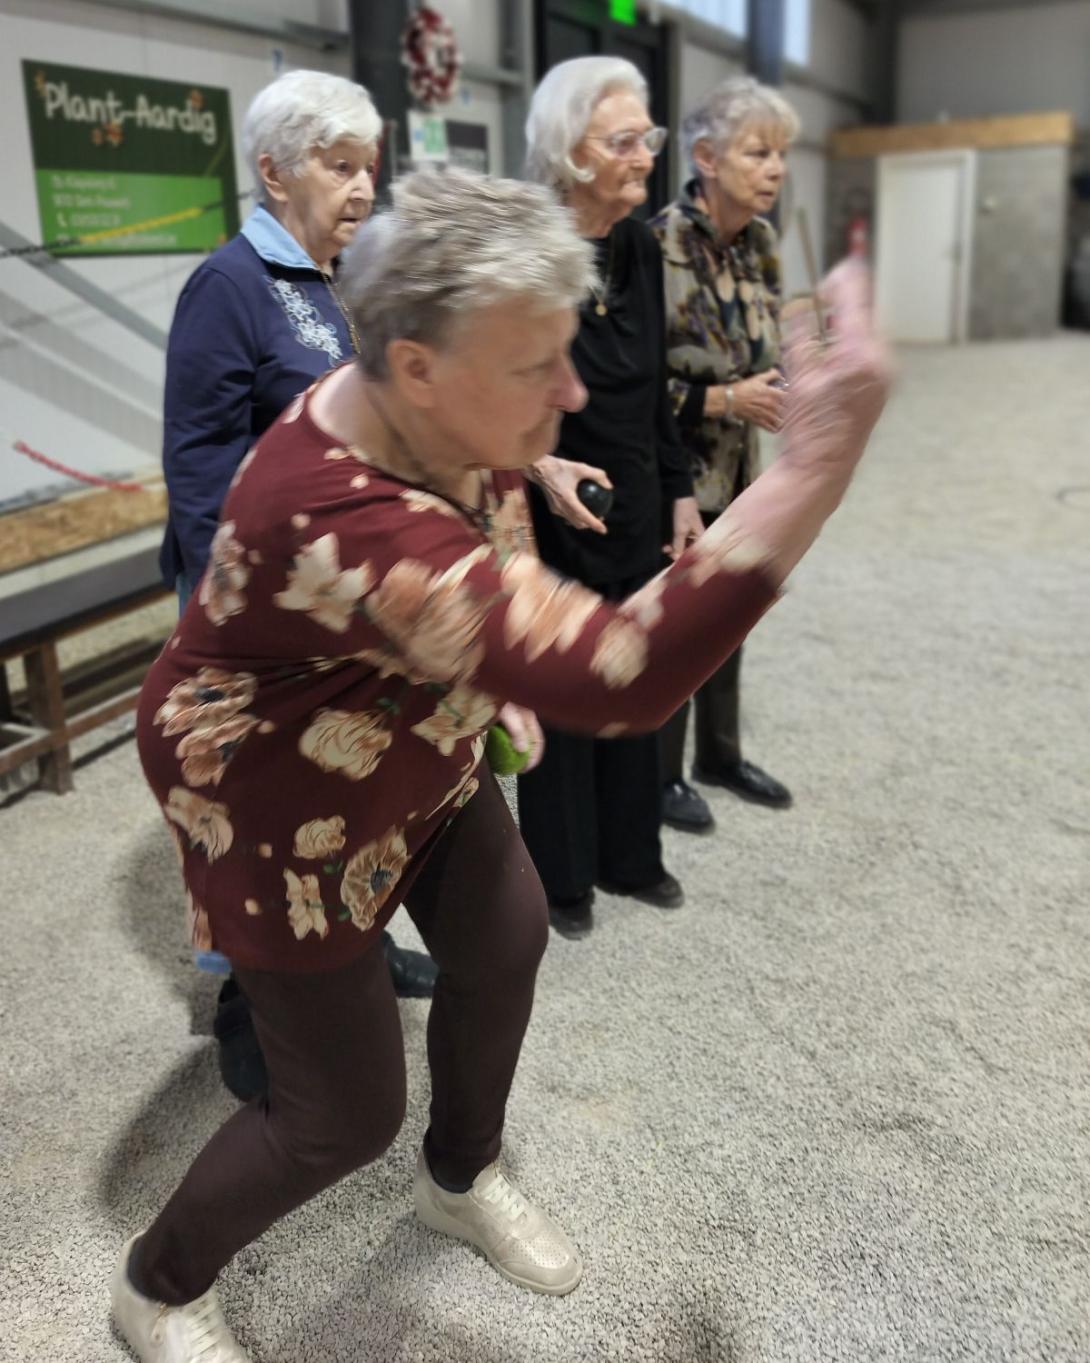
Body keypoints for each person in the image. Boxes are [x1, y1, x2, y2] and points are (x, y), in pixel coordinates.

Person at [110, 165, 888, 1362]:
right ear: (416, 363)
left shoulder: (412, 401)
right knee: (341, 1111)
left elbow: (489, 475)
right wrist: (808, 473)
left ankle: (459, 1176)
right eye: (538, 369)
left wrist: (526, 503)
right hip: (274, 795)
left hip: (404, 726)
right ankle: (158, 1284)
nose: (569, 391)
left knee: (506, 933)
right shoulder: (347, 520)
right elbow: (620, 673)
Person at [159, 70, 437, 1100]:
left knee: (349, 800)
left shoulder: (343, 279)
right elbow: (198, 472)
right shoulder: (228, 288)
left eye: (369, 164)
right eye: (338, 163)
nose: (363, 185)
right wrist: (233, 627)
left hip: (352, 614)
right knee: (252, 821)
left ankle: (357, 949)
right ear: (273, 171)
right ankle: (247, 1012)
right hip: (262, 625)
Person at [517, 56, 706, 940]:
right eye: (624, 140)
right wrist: (536, 465)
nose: (645, 156)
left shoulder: (637, 245)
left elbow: (656, 383)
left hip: (631, 503)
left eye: (650, 138)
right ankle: (562, 877)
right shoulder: (524, 251)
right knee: (562, 684)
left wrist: (679, 492)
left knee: (636, 675)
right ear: (571, 152)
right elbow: (490, 394)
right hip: (551, 513)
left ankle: (632, 854)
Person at [653, 77, 800, 828]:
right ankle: (662, 775)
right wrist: (724, 399)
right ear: (707, 157)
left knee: (733, 616)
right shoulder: (658, 245)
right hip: (674, 472)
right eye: (758, 152)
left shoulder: (764, 244)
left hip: (745, 468)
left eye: (781, 154)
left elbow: (767, 349)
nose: (775, 168)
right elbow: (634, 385)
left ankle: (720, 752)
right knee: (681, 622)